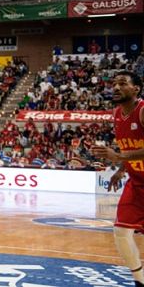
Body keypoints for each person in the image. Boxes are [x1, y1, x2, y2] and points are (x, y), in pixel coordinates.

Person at [91, 71, 144, 287]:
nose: (116, 87)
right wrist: (122, 168)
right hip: (137, 181)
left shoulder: (142, 111)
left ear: (136, 89)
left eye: (123, 83)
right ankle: (140, 280)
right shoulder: (116, 114)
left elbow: (124, 151)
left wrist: (120, 157)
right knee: (121, 231)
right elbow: (131, 147)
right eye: (114, 83)